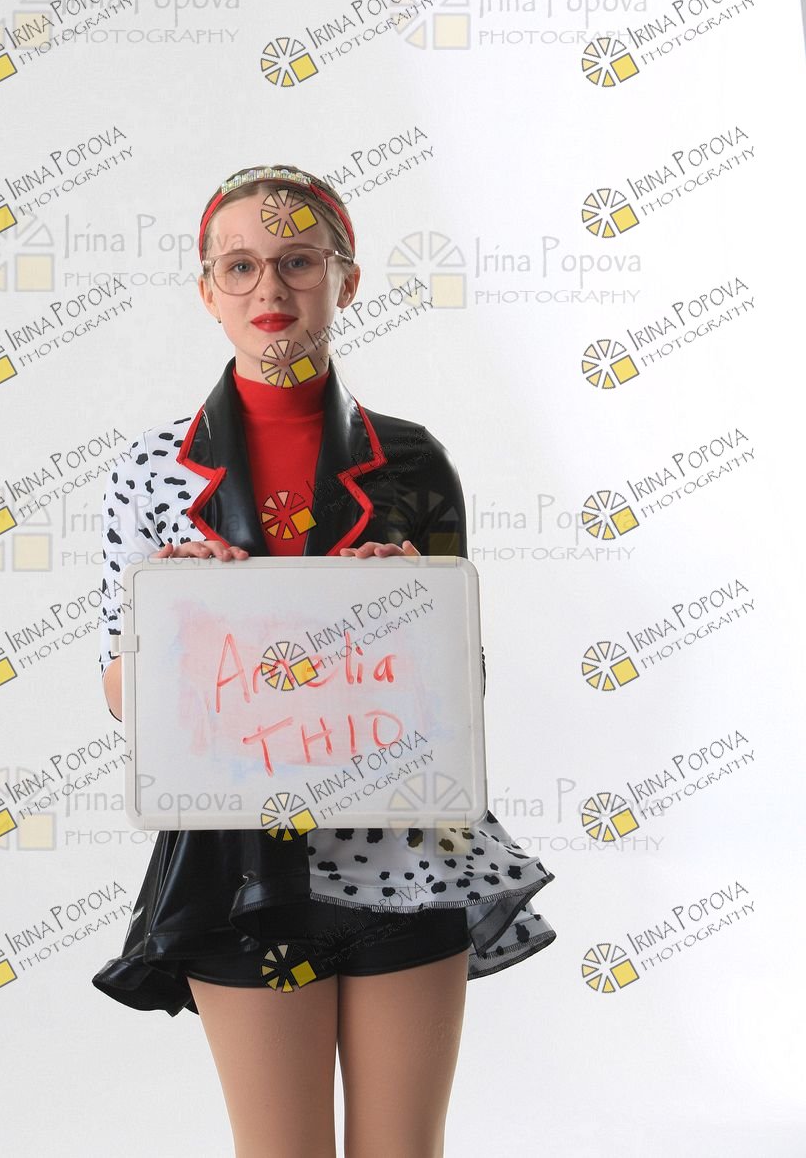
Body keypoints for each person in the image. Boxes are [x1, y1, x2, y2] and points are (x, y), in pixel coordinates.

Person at [92, 164, 556, 1158]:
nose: (270, 287)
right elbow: (124, 699)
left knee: (401, 1148)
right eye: (241, 266)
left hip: (405, 849)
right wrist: (175, 617)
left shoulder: (413, 461)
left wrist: (412, 614)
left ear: (346, 279)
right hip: (235, 860)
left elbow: (461, 692)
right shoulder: (148, 471)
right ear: (207, 290)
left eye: (298, 261)